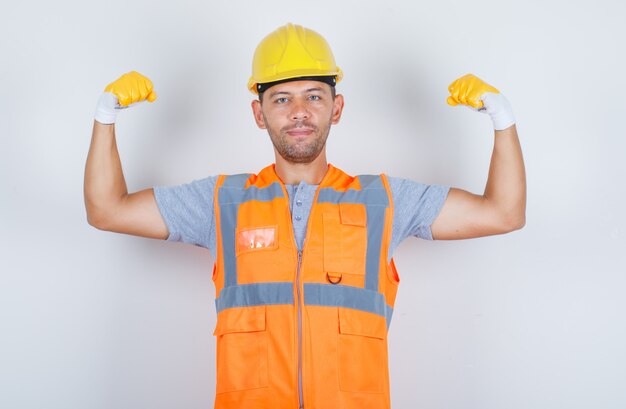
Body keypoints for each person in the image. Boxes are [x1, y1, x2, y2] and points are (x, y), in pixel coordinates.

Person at [84, 23, 525, 409]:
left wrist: (501, 119)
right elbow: (107, 210)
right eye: (281, 99)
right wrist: (106, 115)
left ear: (337, 108)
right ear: (259, 114)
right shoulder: (221, 201)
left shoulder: (386, 200)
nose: (299, 111)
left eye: (314, 95)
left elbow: (504, 213)